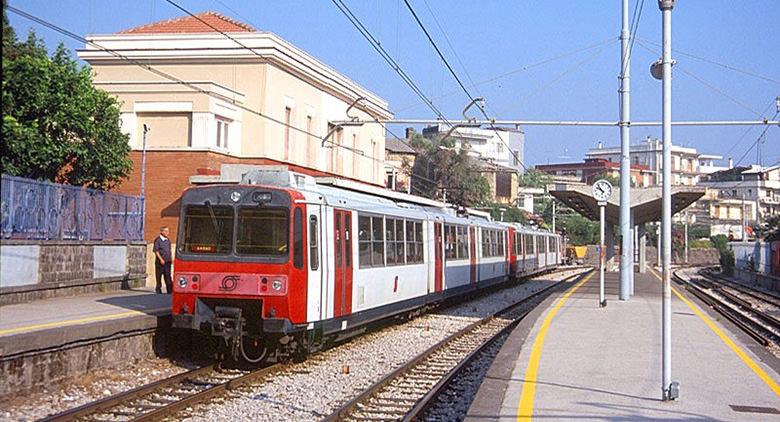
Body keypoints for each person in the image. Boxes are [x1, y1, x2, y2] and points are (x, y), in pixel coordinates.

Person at [153, 226, 173, 294]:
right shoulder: (158, 240)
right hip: (160, 262)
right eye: (166, 231)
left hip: (167, 261)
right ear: (162, 232)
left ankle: (169, 289)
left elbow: (169, 251)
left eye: (168, 231)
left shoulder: (168, 240)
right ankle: (158, 289)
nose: (168, 233)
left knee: (168, 275)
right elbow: (156, 251)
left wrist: (171, 258)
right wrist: (161, 259)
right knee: (159, 276)